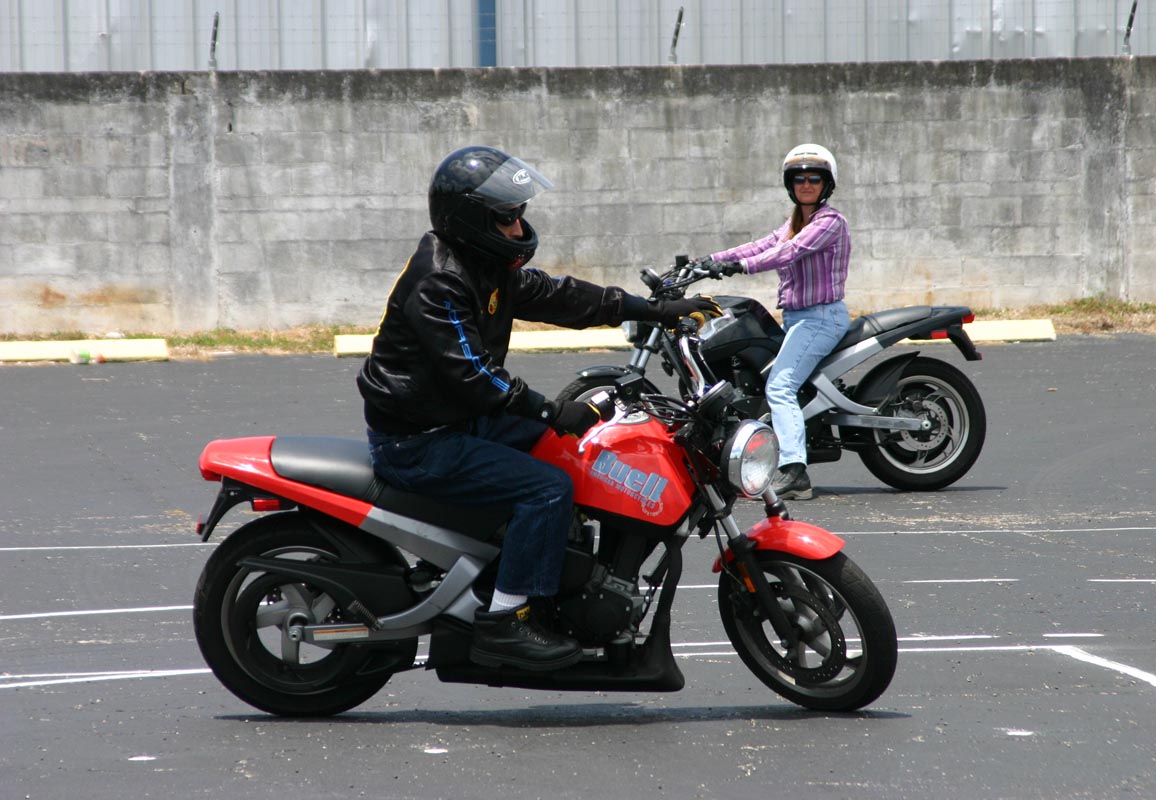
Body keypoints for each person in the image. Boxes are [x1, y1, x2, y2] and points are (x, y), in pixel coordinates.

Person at [357, 145, 716, 671]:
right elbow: (472, 372)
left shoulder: (484, 265)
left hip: (459, 419)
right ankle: (505, 621)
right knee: (547, 489)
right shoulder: (441, 280)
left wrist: (655, 310)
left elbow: (562, 296)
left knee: (579, 452)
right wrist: (548, 411)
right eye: (506, 217)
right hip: (420, 439)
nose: (518, 226)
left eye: (519, 213)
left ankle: (542, 570)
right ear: (471, 220)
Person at [699, 143, 851, 501]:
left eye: (814, 179)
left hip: (821, 318)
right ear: (790, 184)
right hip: (799, 319)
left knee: (780, 386)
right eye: (799, 179)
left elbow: (788, 251)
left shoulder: (829, 222)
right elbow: (760, 245)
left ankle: (795, 471)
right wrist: (708, 261)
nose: (806, 184)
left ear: (827, 184)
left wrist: (740, 267)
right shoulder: (795, 222)